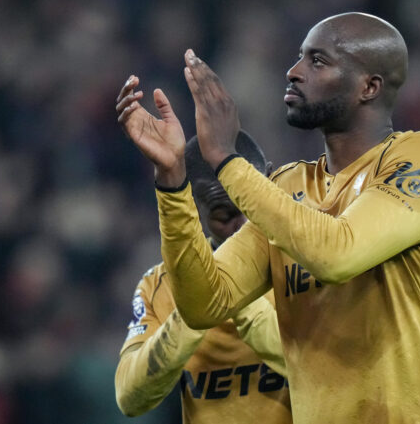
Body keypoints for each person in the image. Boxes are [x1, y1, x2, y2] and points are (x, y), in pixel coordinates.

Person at [116, 12, 420, 423]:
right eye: (299, 57)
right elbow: (204, 303)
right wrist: (173, 183)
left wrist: (227, 161)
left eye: (317, 61)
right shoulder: (288, 187)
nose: (294, 72)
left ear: (369, 87)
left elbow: (338, 254)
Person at [114, 133, 292, 424]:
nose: (244, 227)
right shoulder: (162, 285)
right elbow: (130, 397)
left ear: (271, 180)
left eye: (250, 203)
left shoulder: (307, 261)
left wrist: (230, 293)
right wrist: (196, 297)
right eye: (226, 215)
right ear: (194, 208)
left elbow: (328, 374)